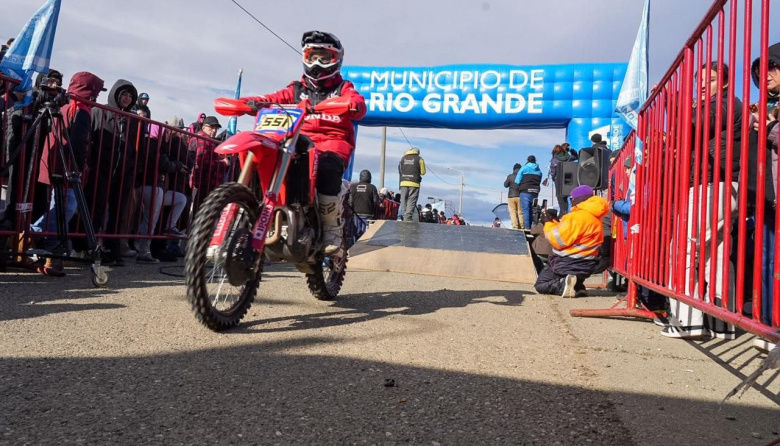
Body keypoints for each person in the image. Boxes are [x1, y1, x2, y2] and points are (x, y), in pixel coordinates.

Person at [238, 30, 366, 255]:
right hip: (298, 142)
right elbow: (272, 99)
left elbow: (356, 103)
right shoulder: (296, 89)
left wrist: (352, 104)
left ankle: (331, 230)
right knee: (266, 157)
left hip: (331, 142)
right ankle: (247, 217)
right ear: (305, 57)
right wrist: (249, 103)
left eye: (324, 57)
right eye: (313, 56)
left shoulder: (343, 88)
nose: (318, 62)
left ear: (336, 60)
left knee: (327, 167)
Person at [665, 61, 742, 339]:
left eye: (707, 80)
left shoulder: (723, 101)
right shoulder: (724, 103)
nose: (700, 84)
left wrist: (673, 100)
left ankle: (688, 320)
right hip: (722, 185)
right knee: (716, 255)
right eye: (698, 80)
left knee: (684, 249)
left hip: (710, 185)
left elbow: (697, 123)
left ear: (722, 82)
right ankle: (722, 322)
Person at [30, 72, 106, 276]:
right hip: (67, 166)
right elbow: (79, 144)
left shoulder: (65, 106)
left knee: (62, 205)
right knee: (68, 206)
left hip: (54, 163)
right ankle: (34, 232)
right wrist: (80, 169)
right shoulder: (80, 110)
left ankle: (45, 245)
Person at [749, 42, 780, 348]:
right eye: (760, 70)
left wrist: (770, 128)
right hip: (767, 196)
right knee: (767, 261)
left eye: (772, 66)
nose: (765, 74)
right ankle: (769, 325)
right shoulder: (765, 105)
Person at [534, 185, 609, 298]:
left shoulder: (576, 217)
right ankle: (578, 286)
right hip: (587, 265)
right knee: (571, 275)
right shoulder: (594, 217)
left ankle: (563, 285)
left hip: (567, 263)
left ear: (577, 199)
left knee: (541, 285)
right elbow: (572, 235)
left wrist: (548, 223)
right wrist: (554, 222)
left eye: (571, 198)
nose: (571, 201)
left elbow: (558, 241)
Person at [189, 116, 226, 216]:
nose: (214, 130)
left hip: (203, 181)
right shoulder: (203, 140)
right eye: (212, 127)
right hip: (204, 181)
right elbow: (203, 162)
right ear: (204, 127)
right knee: (202, 212)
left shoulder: (207, 140)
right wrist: (222, 163)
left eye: (216, 128)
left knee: (201, 212)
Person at [544, 143, 575, 215]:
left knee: (560, 198)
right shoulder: (568, 157)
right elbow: (576, 157)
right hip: (568, 179)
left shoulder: (554, 159)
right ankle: (565, 213)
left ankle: (562, 214)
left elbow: (553, 171)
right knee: (566, 197)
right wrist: (572, 151)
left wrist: (554, 178)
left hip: (558, 180)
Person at [398, 147, 426, 222]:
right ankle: (408, 217)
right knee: (411, 200)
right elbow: (423, 172)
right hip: (414, 183)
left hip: (403, 182)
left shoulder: (402, 158)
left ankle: (404, 216)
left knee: (403, 199)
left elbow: (400, 170)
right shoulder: (420, 159)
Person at [515, 155, 542, 229]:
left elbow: (517, 181)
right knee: (533, 209)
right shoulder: (539, 171)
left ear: (527, 160)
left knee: (526, 209)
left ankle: (527, 228)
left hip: (525, 191)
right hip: (535, 192)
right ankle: (533, 227)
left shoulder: (524, 168)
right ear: (535, 160)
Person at [504, 162, 525, 229]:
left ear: (513, 169)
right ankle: (522, 226)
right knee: (520, 212)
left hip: (511, 197)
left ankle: (515, 226)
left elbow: (505, 185)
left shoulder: (510, 176)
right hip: (520, 196)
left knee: (512, 212)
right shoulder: (522, 177)